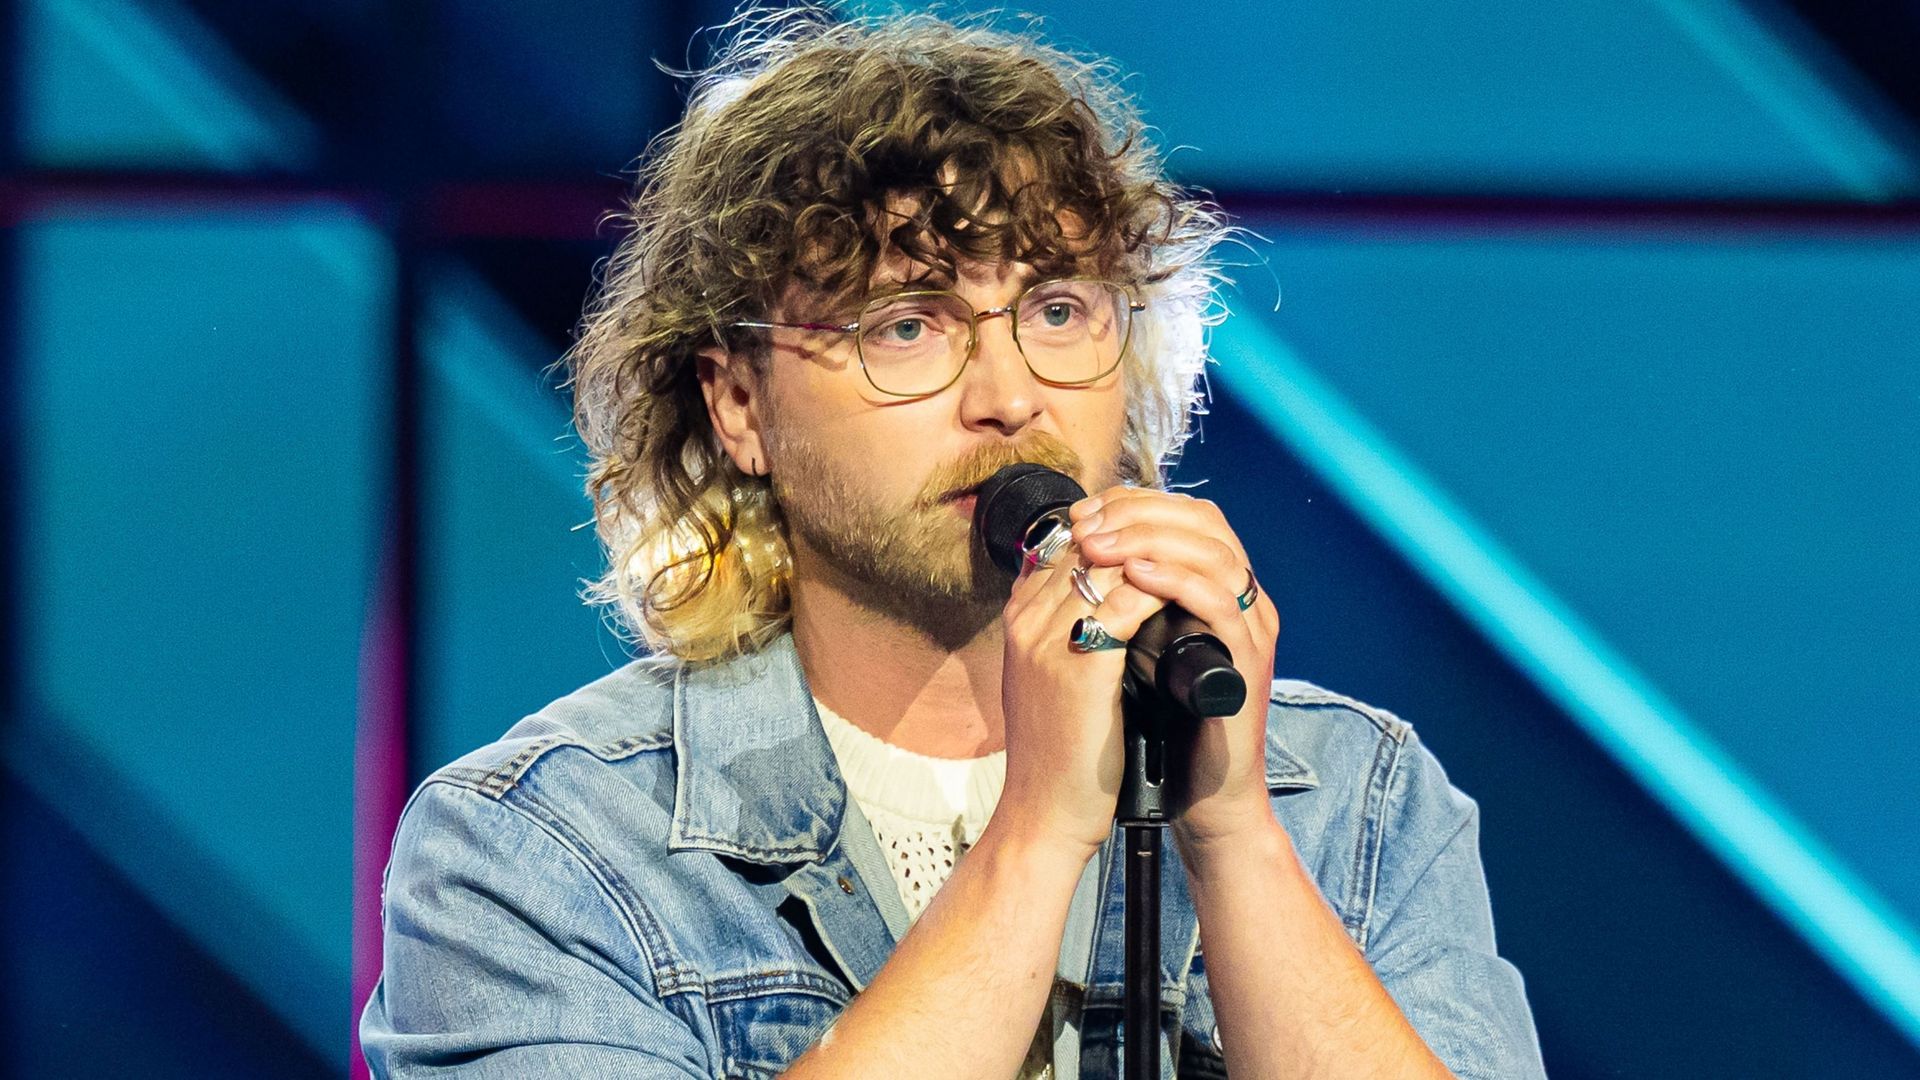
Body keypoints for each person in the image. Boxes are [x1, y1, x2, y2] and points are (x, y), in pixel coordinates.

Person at [360, 9, 1545, 1078]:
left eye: (1058, 310)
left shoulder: (1358, 798)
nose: (1009, 397)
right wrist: (1035, 836)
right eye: (909, 325)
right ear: (739, 404)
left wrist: (1234, 837)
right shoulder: (542, 849)